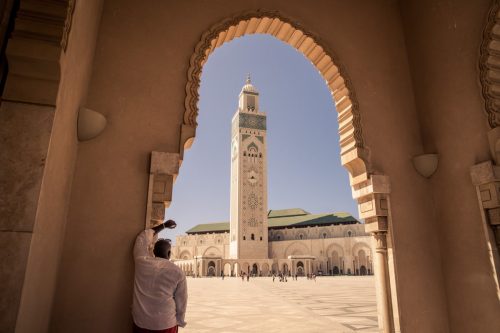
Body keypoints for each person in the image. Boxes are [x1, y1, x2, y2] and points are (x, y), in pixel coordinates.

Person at [132, 220, 187, 333]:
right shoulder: (177, 272)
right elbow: (182, 301)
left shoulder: (141, 262)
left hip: (141, 322)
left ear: (154, 252)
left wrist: (164, 225)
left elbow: (142, 238)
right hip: (166, 323)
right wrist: (179, 320)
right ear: (169, 254)